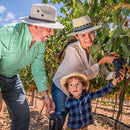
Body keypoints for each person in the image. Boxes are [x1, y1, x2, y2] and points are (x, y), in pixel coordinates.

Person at [0, 3, 64, 130]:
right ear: (36, 26)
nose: (52, 33)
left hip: (12, 79)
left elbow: (38, 68)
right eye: (49, 28)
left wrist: (45, 96)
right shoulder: (9, 33)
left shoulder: (40, 43)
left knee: (22, 115)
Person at [51, 15, 115, 130]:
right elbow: (82, 76)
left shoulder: (94, 49)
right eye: (83, 35)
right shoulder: (72, 49)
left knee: (78, 116)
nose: (88, 38)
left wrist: (113, 74)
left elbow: (102, 72)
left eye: (91, 33)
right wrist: (102, 61)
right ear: (76, 36)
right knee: (60, 117)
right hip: (60, 86)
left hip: (75, 87)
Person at [55, 70, 125, 130]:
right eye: (71, 85)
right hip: (71, 127)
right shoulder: (68, 101)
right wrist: (54, 115)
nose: (74, 87)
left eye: (77, 84)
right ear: (68, 89)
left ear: (84, 86)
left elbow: (101, 92)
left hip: (84, 127)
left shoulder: (87, 96)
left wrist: (112, 84)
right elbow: (63, 113)